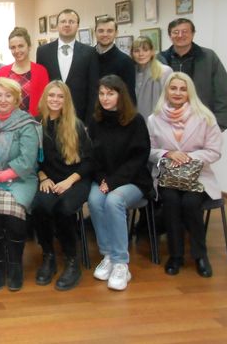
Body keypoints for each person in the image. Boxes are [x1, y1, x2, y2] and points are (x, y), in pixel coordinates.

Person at [147, 72, 223, 278]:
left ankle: (200, 256)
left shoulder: (205, 117)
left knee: (190, 203)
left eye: (183, 89)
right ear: (167, 91)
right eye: (173, 88)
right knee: (171, 201)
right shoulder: (154, 119)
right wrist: (168, 153)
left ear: (190, 92)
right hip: (168, 176)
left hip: (197, 177)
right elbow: (149, 150)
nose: (178, 93)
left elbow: (214, 151)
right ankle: (176, 256)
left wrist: (189, 157)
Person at [87, 75, 152, 291]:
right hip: (104, 179)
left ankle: (121, 263)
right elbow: (92, 157)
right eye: (102, 93)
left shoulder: (136, 121)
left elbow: (139, 159)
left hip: (133, 180)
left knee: (113, 201)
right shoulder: (95, 121)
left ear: (120, 95)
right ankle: (108, 255)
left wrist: (113, 182)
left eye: (110, 93)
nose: (105, 98)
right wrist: (103, 180)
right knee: (94, 200)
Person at [31, 81, 93, 291]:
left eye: (60, 96)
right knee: (39, 205)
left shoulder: (76, 125)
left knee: (64, 208)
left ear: (66, 100)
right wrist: (43, 177)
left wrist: (69, 181)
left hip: (75, 179)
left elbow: (89, 162)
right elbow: (32, 160)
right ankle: (48, 256)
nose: (55, 100)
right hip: (49, 179)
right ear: (45, 98)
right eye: (51, 95)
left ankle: (72, 260)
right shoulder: (36, 125)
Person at [0, 78, 39, 291]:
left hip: (21, 178)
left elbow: (27, 159)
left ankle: (15, 264)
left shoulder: (26, 123)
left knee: (14, 213)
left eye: (8, 95)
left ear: (17, 99)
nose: (3, 100)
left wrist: (1, 176)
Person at [159, 18, 227, 130]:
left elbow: (223, 94)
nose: (180, 35)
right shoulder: (160, 60)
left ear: (193, 34)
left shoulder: (208, 57)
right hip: (168, 124)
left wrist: (219, 125)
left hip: (202, 124)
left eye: (185, 31)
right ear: (170, 35)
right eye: (175, 32)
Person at [36, 9, 99, 123]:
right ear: (57, 25)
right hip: (50, 115)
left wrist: (88, 121)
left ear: (77, 26)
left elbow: (93, 88)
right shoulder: (43, 52)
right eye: (63, 21)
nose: (67, 25)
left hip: (78, 116)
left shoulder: (90, 52)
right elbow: (40, 85)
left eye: (71, 22)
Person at [0, 27, 49, 117]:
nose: (17, 51)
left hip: (33, 122)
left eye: (21, 46)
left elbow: (46, 101)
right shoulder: (2, 72)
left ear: (29, 46)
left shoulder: (41, 71)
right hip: (7, 123)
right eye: (13, 47)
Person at [95, 17, 136, 103]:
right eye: (101, 31)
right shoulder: (86, 57)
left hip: (115, 110)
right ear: (95, 32)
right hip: (89, 110)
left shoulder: (125, 61)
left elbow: (129, 96)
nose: (105, 34)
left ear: (116, 33)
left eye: (109, 31)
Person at [132, 36, 173, 118]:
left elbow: (170, 101)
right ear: (132, 53)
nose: (141, 54)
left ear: (152, 52)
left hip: (159, 120)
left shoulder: (165, 72)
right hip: (135, 120)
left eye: (145, 50)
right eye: (136, 51)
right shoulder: (130, 72)